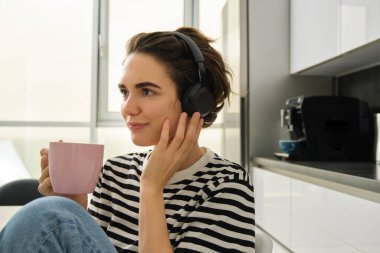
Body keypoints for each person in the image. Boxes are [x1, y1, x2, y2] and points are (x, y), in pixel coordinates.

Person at [0, 27, 255, 252]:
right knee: (52, 212)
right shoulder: (114, 173)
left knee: (46, 217)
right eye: (125, 92)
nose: (128, 108)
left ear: (196, 100)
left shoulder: (226, 185)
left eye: (146, 91)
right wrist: (75, 208)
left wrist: (151, 187)